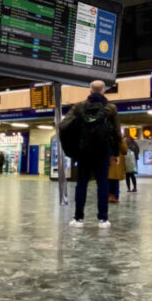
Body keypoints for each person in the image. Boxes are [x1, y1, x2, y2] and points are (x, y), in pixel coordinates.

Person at [61, 80, 121, 229]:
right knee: (103, 184)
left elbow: (63, 125)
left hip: (84, 152)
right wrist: (115, 153)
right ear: (104, 90)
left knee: (81, 184)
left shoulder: (78, 107)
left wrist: (72, 147)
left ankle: (78, 219)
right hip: (103, 151)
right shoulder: (111, 108)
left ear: (90, 90)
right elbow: (116, 132)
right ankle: (103, 220)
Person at [108, 133, 128, 203]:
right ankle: (114, 197)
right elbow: (124, 150)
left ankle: (108, 196)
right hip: (116, 162)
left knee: (107, 180)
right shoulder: (118, 137)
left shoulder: (105, 135)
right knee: (115, 180)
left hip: (106, 162)